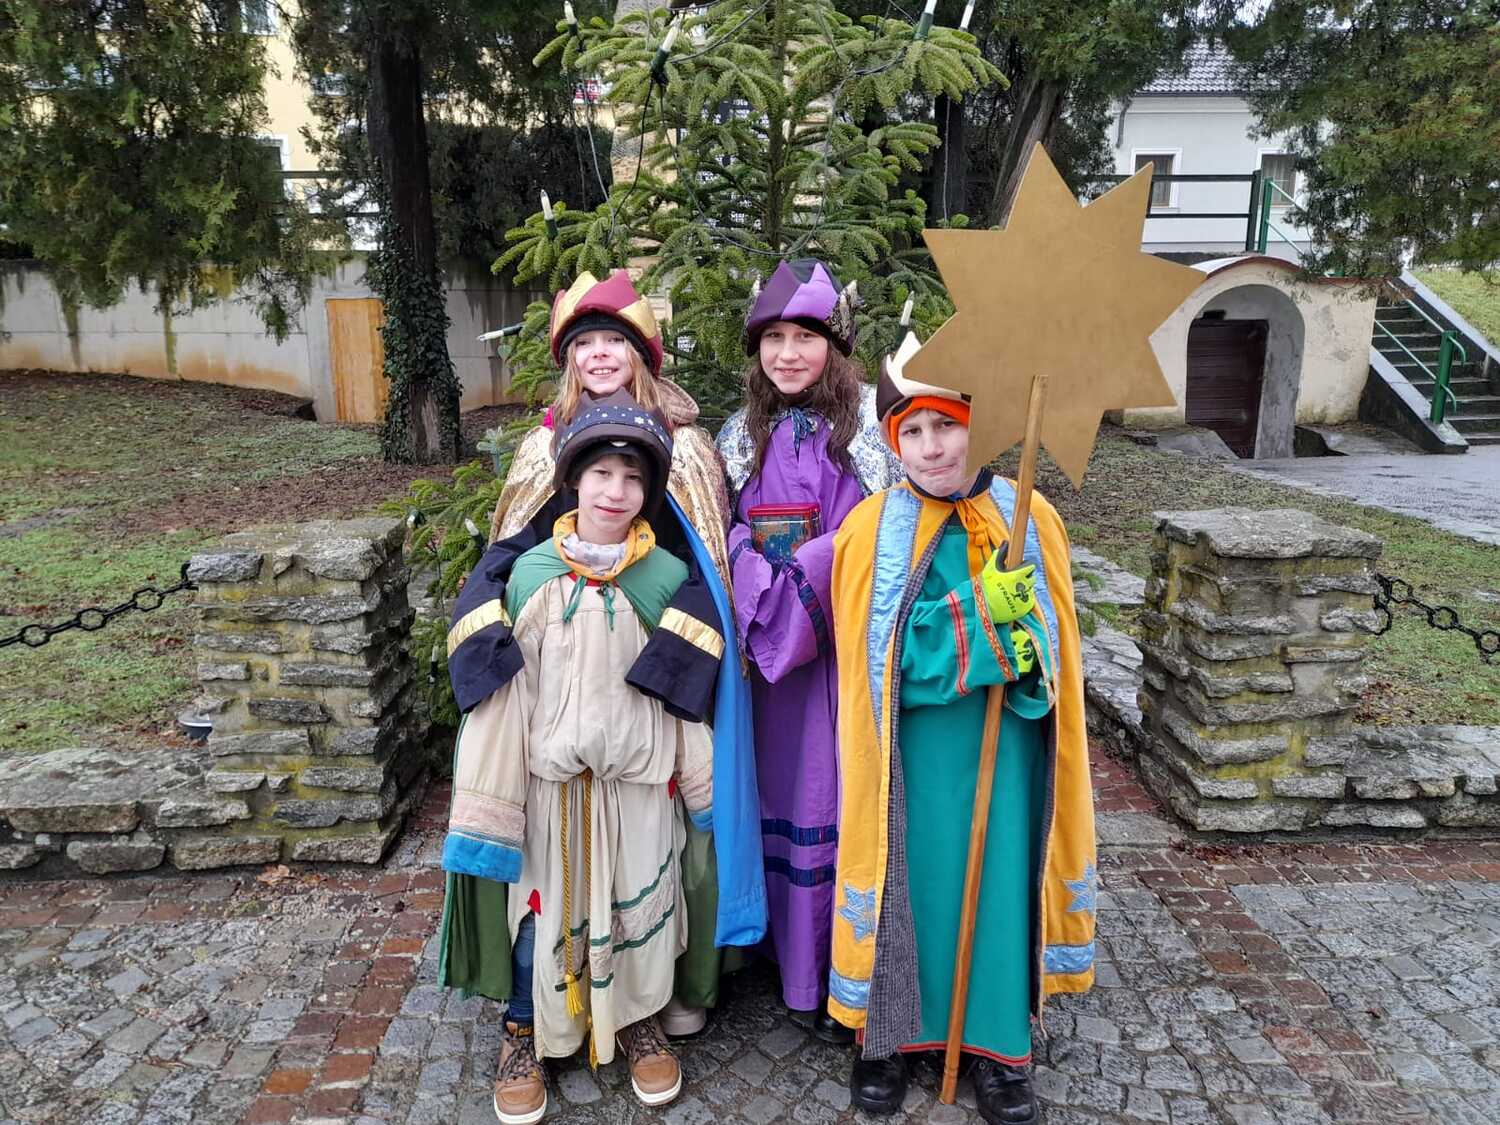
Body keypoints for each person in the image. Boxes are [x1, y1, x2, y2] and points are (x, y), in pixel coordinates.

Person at [440, 271, 765, 1044]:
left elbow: (709, 564)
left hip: (655, 654)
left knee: (671, 847)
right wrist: (485, 624)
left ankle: (665, 986)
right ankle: (535, 1010)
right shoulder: (543, 443)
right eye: (583, 342)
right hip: (560, 664)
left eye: (613, 339)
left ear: (641, 350)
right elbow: (512, 549)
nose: (598, 354)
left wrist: (674, 656)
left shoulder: (687, 446)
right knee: (546, 864)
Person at [827, 334, 1097, 1125]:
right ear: (892, 441)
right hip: (909, 756)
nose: (932, 446)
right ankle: (888, 1038)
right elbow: (871, 661)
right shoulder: (870, 529)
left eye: (946, 424)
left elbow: (1057, 654)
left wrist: (1023, 644)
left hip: (1003, 747)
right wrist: (976, 617)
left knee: (1001, 877)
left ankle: (998, 1046)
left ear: (980, 424)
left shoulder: (1029, 516)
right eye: (911, 430)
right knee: (905, 878)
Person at [443, 391, 714, 1123]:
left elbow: (684, 696)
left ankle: (639, 1020)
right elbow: (503, 704)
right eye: (600, 474)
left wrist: (703, 788)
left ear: (649, 492)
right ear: (571, 480)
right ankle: (521, 1031)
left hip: (637, 789)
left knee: (643, 905)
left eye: (632, 478)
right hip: (551, 791)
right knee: (538, 917)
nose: (615, 491)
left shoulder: (667, 581)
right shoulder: (528, 577)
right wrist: (491, 804)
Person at [715, 259, 903, 1038]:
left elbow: (886, 532)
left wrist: (816, 572)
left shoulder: (870, 437)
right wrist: (756, 577)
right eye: (774, 339)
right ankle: (765, 953)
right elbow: (716, 527)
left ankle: (829, 967)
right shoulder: (737, 436)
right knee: (769, 790)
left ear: (836, 344)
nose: (788, 354)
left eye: (805, 337)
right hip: (763, 661)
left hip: (837, 656)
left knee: (829, 793)